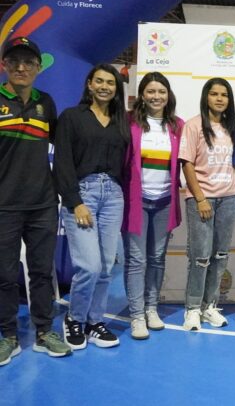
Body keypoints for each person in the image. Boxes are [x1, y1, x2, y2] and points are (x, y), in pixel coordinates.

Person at [0, 37, 71, 365]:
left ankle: (44, 331)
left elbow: (64, 145)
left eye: (28, 62)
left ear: (38, 68)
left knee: (42, 272)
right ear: (4, 66)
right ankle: (8, 336)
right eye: (14, 61)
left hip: (43, 204)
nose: (21, 67)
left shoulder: (47, 103)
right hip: (4, 205)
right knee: (4, 273)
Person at [54, 64, 130, 350]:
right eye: (99, 81)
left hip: (113, 194)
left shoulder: (121, 120)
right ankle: (74, 318)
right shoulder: (72, 117)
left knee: (107, 267)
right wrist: (75, 202)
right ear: (89, 84)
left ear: (116, 88)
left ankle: (94, 322)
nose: (104, 86)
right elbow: (62, 162)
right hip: (83, 194)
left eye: (110, 82)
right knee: (89, 265)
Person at [122, 72, 184, 340]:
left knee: (157, 259)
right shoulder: (128, 122)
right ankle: (136, 315)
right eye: (151, 91)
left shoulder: (177, 125)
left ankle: (151, 308)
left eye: (161, 91)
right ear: (142, 95)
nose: (156, 96)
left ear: (168, 95)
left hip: (164, 202)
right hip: (136, 201)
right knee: (137, 260)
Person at [178, 78, 235, 331]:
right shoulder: (193, 126)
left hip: (229, 198)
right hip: (202, 199)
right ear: (206, 97)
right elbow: (187, 163)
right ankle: (192, 309)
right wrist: (201, 198)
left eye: (224, 94)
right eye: (214, 94)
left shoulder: (230, 127)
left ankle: (209, 306)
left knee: (220, 255)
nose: (219, 98)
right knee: (201, 257)